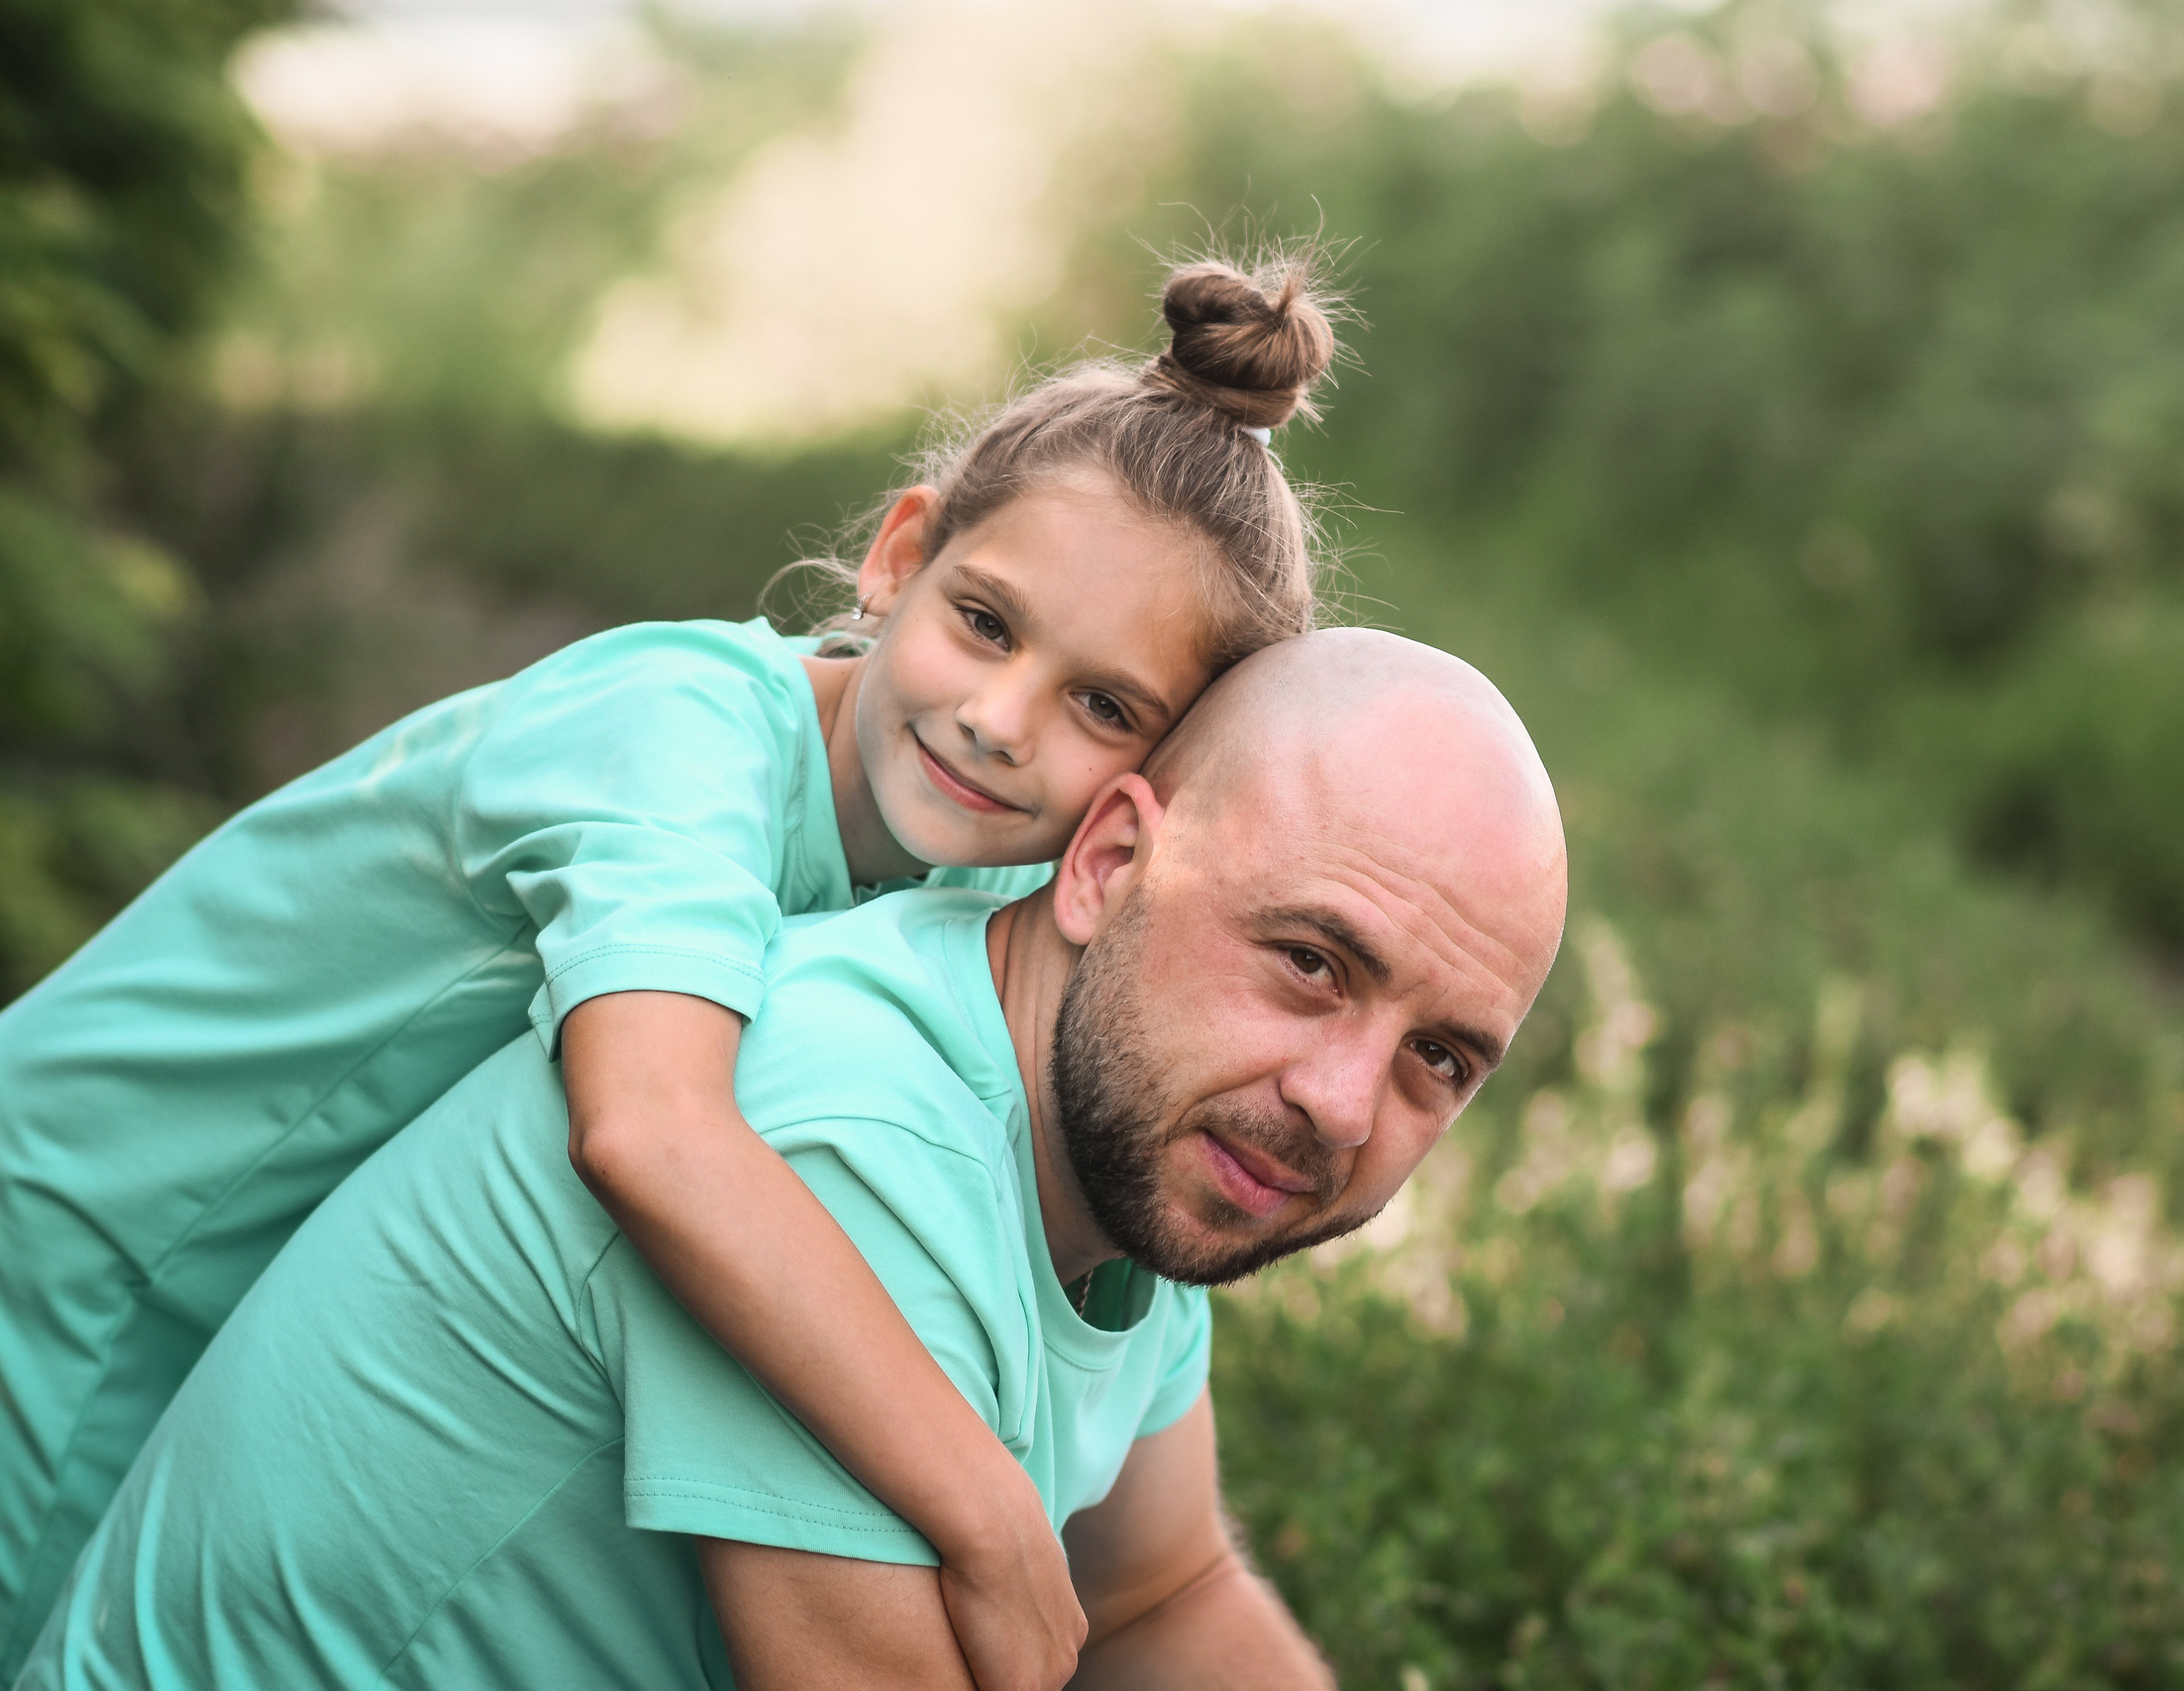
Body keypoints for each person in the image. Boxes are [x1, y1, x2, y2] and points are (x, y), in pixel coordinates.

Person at [0, 258, 1339, 1690]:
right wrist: (989, 1511)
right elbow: (651, 1127)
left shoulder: (986, 879)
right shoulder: (678, 730)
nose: (1001, 720)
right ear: (900, 559)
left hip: (241, 1295)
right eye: (986, 623)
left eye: (1103, 705)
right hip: (84, 1254)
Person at [15, 628, 1570, 1691]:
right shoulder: (857, 1132)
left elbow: (1165, 1602)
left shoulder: (1136, 1129)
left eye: (1441, 1059)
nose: (1344, 1105)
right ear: (1107, 867)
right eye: (1310, 961)